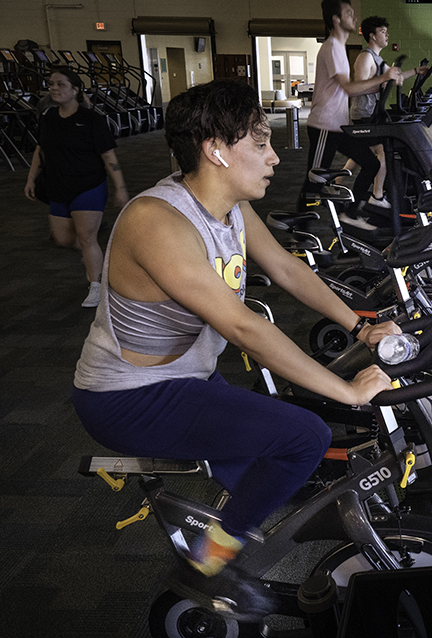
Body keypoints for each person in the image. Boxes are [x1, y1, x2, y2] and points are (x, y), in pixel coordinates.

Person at [72, 79, 400, 609]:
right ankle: (209, 561)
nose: (274, 156)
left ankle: (226, 519)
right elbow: (246, 328)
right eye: (261, 142)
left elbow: (288, 270)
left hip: (187, 378)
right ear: (216, 150)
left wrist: (362, 327)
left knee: (277, 471)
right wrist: (347, 391)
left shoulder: (229, 207)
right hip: (128, 398)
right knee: (304, 437)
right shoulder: (158, 222)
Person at [24, 67, 128, 307]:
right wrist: (31, 178)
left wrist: (120, 188)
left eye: (61, 84)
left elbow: (108, 156)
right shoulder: (48, 118)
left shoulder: (91, 120)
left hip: (88, 185)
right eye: (51, 84)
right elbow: (41, 150)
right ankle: (98, 262)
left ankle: (97, 286)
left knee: (86, 236)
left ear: (75, 90)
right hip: (58, 186)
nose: (54, 88)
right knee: (62, 239)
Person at [300, 0, 403, 230]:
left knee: (371, 164)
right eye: (348, 13)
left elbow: (348, 88)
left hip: (338, 126)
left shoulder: (340, 47)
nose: (353, 16)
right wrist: (384, 78)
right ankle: (300, 233)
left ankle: (350, 213)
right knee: (313, 183)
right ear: (336, 19)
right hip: (324, 126)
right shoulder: (332, 47)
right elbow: (350, 88)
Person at [342, 15, 426, 209]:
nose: (387, 35)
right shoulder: (365, 57)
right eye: (383, 32)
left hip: (372, 113)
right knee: (382, 152)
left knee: (360, 155)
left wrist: (416, 71)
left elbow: (395, 77)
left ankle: (335, 184)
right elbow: (359, 87)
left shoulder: (378, 59)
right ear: (372, 36)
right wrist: (382, 84)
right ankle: (377, 197)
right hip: (364, 113)